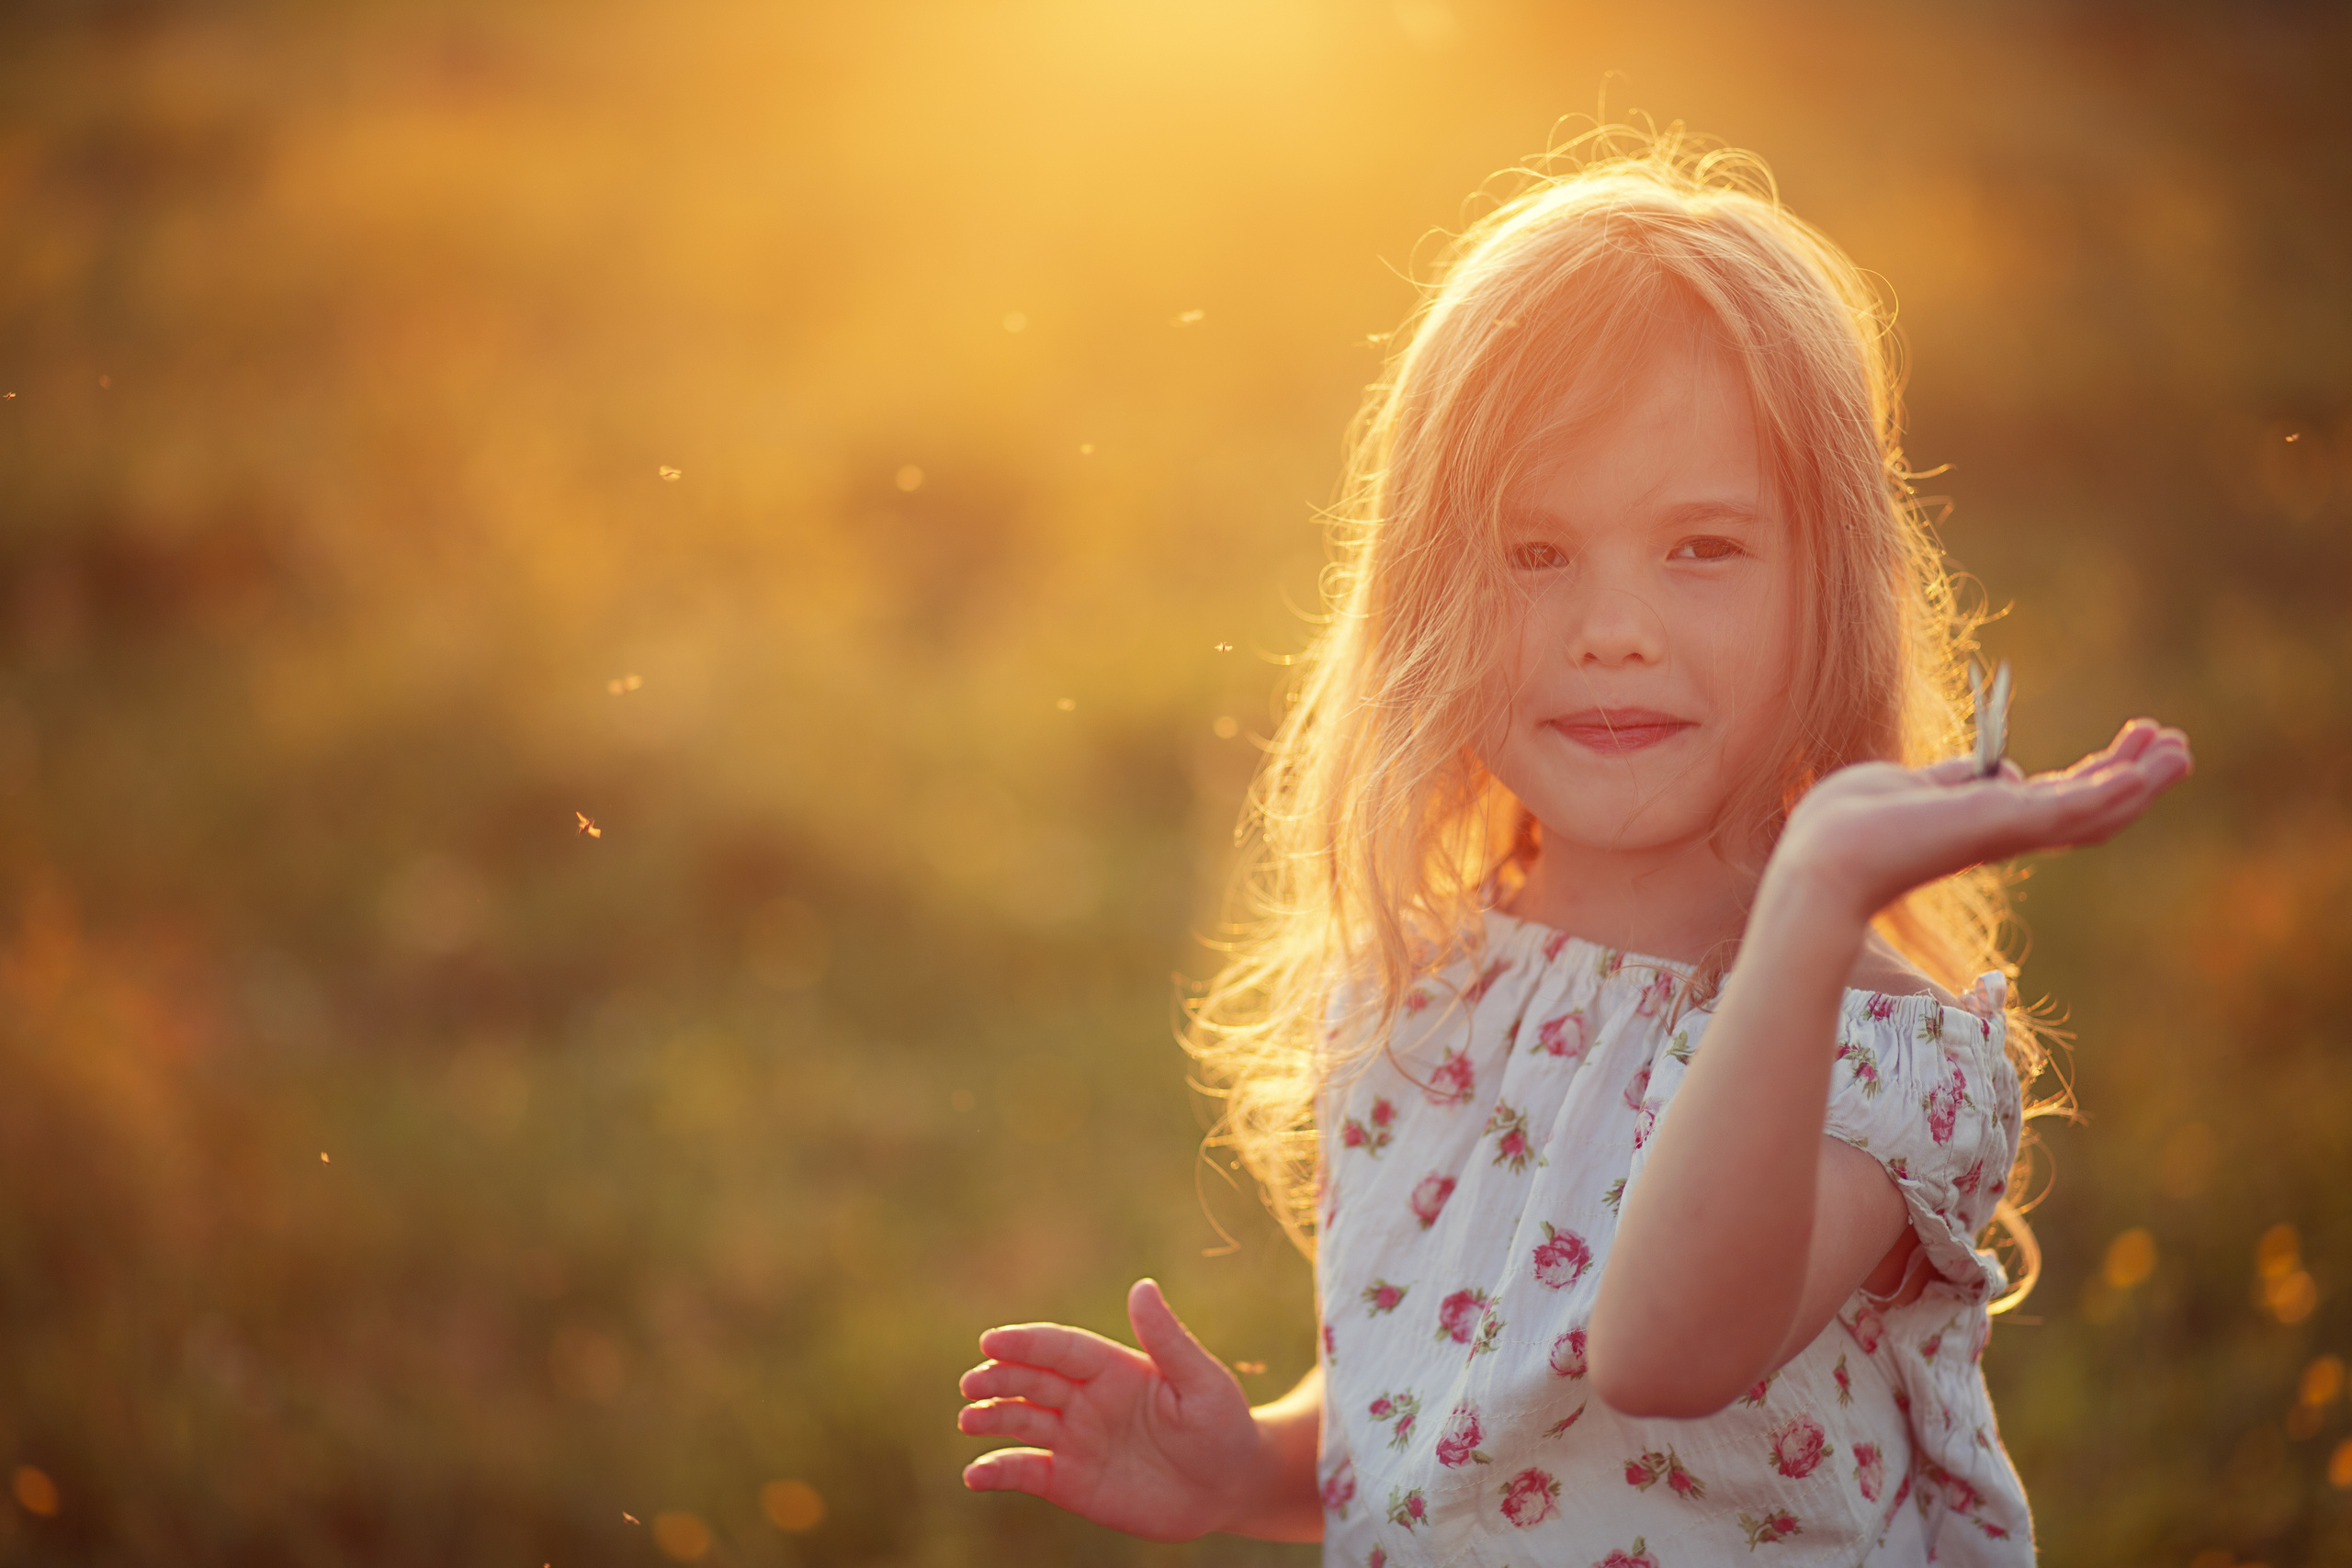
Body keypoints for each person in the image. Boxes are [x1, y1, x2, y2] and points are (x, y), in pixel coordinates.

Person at [954, 129, 2191, 1563]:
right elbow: (1447, 1425)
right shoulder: (1430, 981)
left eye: (1703, 547)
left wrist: (1809, 908)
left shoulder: (1866, 1051)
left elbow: (1665, 1357)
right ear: (1427, 595)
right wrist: (1253, 1469)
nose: (1613, 629)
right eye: (1535, 554)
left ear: (1832, 591)